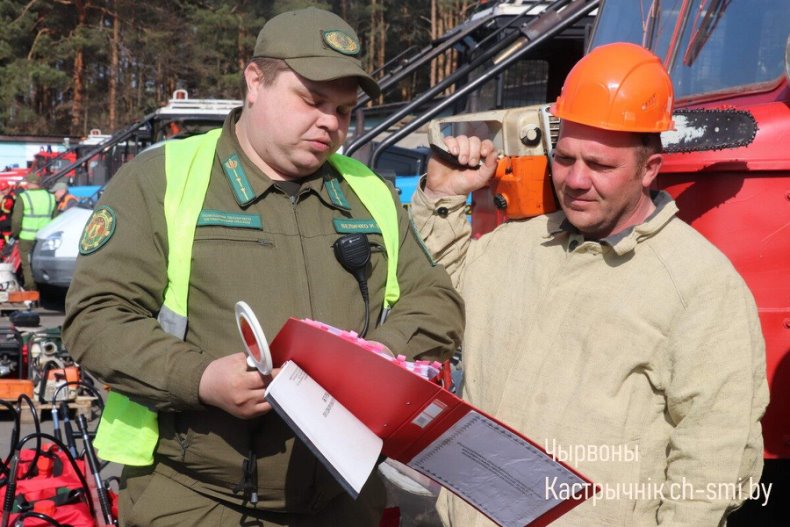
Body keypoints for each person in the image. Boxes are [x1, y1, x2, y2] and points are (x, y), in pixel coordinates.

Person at [63, 7, 464, 527]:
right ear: (255, 81)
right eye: (313, 101)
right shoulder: (163, 179)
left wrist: (379, 355)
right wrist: (202, 378)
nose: (330, 123)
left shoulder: (370, 192)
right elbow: (95, 318)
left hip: (344, 502)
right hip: (200, 501)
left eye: (343, 110)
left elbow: (437, 302)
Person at [413, 42, 768, 526]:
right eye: (564, 159)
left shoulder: (699, 284)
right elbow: (433, 293)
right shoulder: (514, 247)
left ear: (649, 169)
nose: (575, 180)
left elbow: (715, 452)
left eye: (600, 165)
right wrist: (442, 197)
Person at [11, 173, 55, 290]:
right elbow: (56, 219)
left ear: (29, 183)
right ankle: (46, 289)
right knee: (44, 263)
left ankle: (31, 288)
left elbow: (16, 220)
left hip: (26, 237)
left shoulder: (24, 197)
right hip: (45, 239)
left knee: (27, 264)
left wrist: (15, 235)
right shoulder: (51, 197)